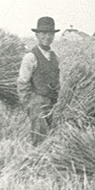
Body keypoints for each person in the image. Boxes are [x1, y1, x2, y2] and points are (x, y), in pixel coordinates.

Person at [17, 16, 60, 145]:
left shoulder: (54, 57)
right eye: (44, 33)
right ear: (37, 35)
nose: (47, 37)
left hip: (52, 103)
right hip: (37, 103)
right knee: (40, 139)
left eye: (50, 33)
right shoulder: (30, 57)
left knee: (53, 137)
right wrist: (29, 105)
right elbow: (23, 83)